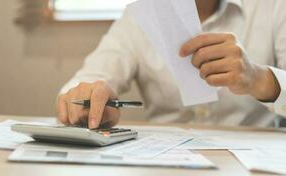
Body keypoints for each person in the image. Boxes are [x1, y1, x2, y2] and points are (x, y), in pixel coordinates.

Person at [56, 0, 286, 129]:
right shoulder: (139, 18)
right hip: (166, 164)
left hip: (252, 167)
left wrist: (260, 79)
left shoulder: (275, 6)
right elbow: (81, 84)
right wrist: (88, 101)